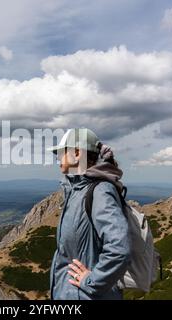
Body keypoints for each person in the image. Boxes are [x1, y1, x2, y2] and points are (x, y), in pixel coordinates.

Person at [47, 128, 131, 300]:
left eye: (61, 152)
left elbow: (119, 249)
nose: (57, 157)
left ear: (77, 153)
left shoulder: (100, 191)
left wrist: (92, 281)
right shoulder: (77, 190)